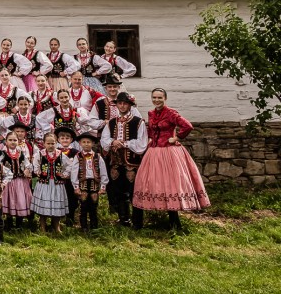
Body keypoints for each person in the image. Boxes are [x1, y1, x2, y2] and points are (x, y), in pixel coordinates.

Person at [132, 88, 210, 230]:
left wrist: (177, 138)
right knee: (150, 183)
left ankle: (174, 222)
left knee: (170, 184)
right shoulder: (151, 113)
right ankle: (144, 221)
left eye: (159, 97)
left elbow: (187, 126)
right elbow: (151, 130)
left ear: (165, 98)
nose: (156, 100)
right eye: (154, 97)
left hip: (169, 152)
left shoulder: (171, 113)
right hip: (154, 152)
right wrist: (150, 139)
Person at [101, 91, 148, 228]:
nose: (122, 106)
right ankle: (124, 220)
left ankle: (137, 222)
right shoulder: (111, 122)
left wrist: (125, 144)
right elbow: (104, 140)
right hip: (116, 163)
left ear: (130, 105)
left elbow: (142, 144)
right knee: (119, 192)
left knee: (135, 192)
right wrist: (113, 142)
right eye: (120, 103)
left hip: (132, 163)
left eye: (125, 103)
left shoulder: (138, 122)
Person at [31, 132, 71, 233]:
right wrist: (37, 171)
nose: (50, 145)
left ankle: (56, 227)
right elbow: (35, 164)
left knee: (57, 206)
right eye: (48, 143)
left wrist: (64, 174)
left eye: (53, 143)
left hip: (57, 184)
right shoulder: (40, 154)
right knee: (43, 205)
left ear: (56, 143)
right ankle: (42, 227)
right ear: (44, 143)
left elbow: (69, 165)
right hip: (44, 184)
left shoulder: (61, 155)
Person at [71, 131, 109, 234]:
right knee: (83, 206)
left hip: (94, 184)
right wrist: (76, 186)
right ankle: (83, 227)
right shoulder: (78, 156)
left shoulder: (97, 156)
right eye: (84, 142)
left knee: (93, 205)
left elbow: (103, 171)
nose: (86, 144)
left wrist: (103, 186)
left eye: (88, 142)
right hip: (83, 183)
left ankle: (94, 226)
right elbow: (74, 172)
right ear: (80, 143)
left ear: (92, 143)